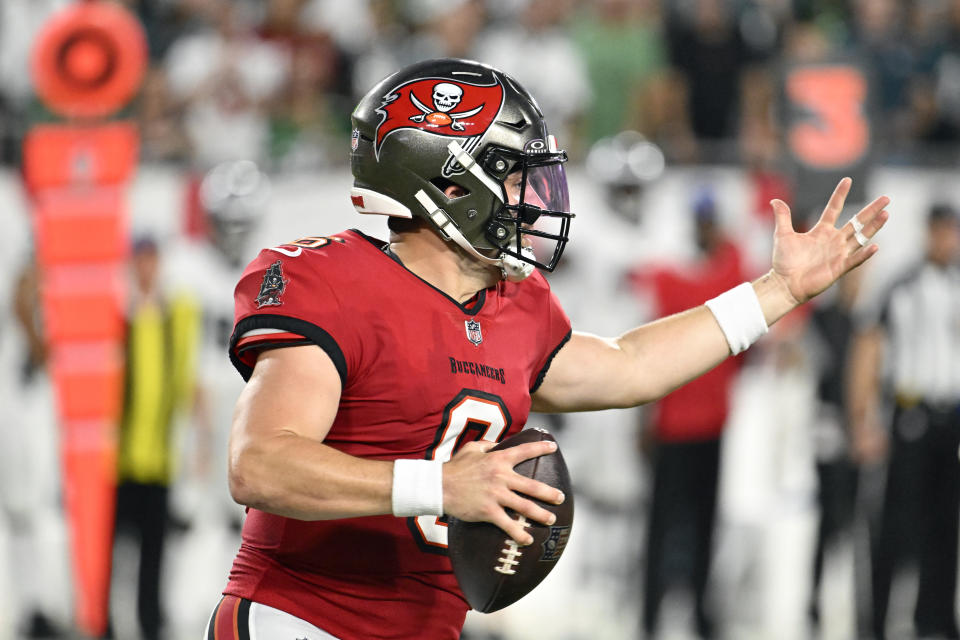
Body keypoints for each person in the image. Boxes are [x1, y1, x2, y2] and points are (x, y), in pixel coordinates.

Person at [205, 58, 890, 640]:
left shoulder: (515, 302)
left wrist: (776, 293)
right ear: (447, 181)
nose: (529, 199)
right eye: (511, 176)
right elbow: (259, 464)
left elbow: (629, 367)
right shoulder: (331, 281)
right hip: (297, 621)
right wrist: (436, 486)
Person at [631, 191, 747, 639]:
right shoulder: (671, 281)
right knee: (663, 529)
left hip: (710, 427)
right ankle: (651, 617)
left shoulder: (716, 276)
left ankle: (698, 614)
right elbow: (639, 357)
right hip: (673, 429)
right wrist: (643, 423)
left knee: (702, 526)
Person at [847, 203, 960, 640]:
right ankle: (876, 622)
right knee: (894, 527)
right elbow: (868, 349)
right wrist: (863, 420)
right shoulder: (900, 285)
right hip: (909, 416)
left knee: (945, 526)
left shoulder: (955, 284)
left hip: (949, 419)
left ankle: (933, 620)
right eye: (942, 231)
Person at [112, 236, 201, 640]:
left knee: (154, 551)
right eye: (140, 260)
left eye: (151, 260)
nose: (146, 268)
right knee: (113, 553)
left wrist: (198, 443)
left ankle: (149, 621)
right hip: (117, 458)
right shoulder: (118, 316)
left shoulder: (175, 313)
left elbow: (190, 381)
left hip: (160, 457)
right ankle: (107, 620)